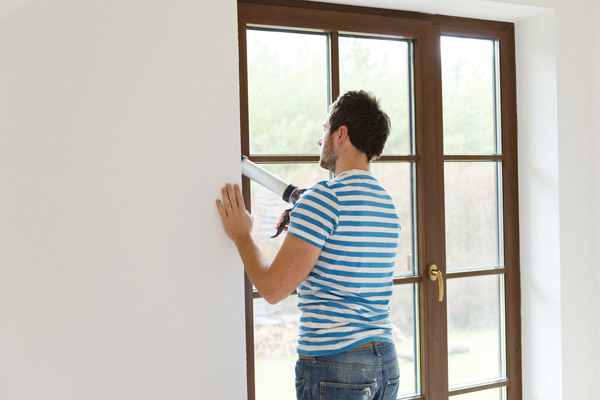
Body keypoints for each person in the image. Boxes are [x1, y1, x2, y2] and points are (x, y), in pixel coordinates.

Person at [216, 90, 401, 400]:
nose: (320, 139)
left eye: (325, 129)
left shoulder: (323, 199)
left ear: (342, 134)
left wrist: (242, 234)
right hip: (384, 365)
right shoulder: (386, 204)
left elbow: (273, 289)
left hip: (337, 367)